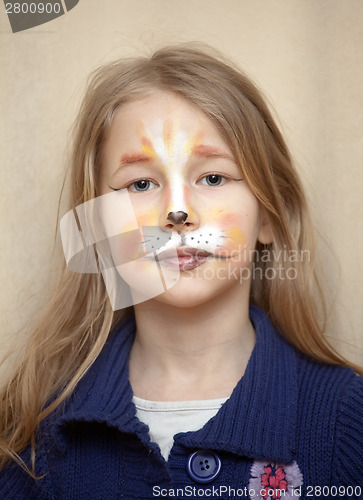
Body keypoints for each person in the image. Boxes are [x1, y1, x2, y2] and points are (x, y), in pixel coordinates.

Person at [0, 44, 362, 500]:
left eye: (212, 178)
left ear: (269, 215)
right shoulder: (30, 435)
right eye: (141, 184)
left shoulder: (349, 417)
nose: (177, 213)